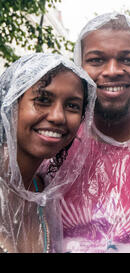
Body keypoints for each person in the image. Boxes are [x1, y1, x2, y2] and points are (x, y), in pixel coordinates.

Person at [60, 13, 130, 253]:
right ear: (79, 67)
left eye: (129, 60)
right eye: (97, 60)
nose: (112, 71)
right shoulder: (57, 134)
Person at [0, 53, 96, 253]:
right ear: (11, 104)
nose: (58, 117)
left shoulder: (42, 192)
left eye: (72, 106)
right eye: (43, 99)